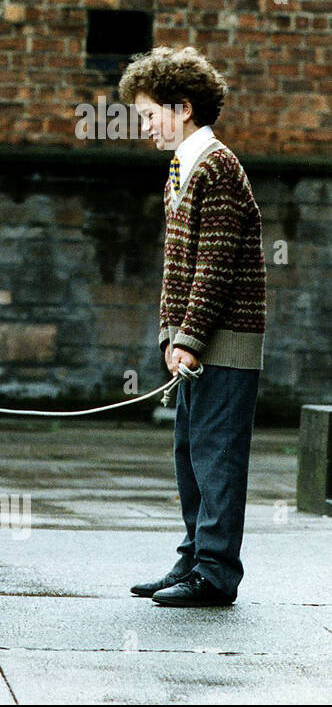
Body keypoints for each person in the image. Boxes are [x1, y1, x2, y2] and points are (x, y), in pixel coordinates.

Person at [121, 47, 266, 606]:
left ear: (182, 108)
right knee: (190, 452)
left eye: (150, 113)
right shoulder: (181, 169)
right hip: (197, 342)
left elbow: (216, 263)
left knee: (217, 456)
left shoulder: (217, 165)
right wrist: (170, 334)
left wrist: (189, 337)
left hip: (223, 342)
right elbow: (175, 267)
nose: (145, 126)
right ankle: (192, 558)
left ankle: (215, 572)